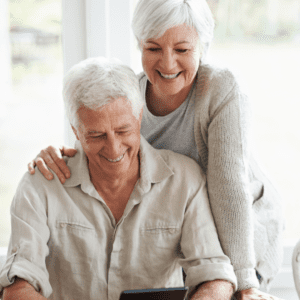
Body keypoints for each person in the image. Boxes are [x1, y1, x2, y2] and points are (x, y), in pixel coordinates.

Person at [27, 0, 285, 299]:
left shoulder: (220, 88)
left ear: (202, 46)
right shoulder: (129, 96)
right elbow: (96, 158)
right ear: (139, 45)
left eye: (182, 50)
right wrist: (56, 160)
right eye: (153, 48)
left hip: (243, 227)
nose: (167, 63)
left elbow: (228, 187)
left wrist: (245, 281)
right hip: (188, 228)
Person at [0, 57, 237, 300]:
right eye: (96, 135)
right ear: (76, 131)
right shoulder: (40, 186)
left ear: (139, 118)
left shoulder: (184, 180)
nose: (113, 149)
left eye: (123, 131)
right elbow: (19, 284)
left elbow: (215, 276)